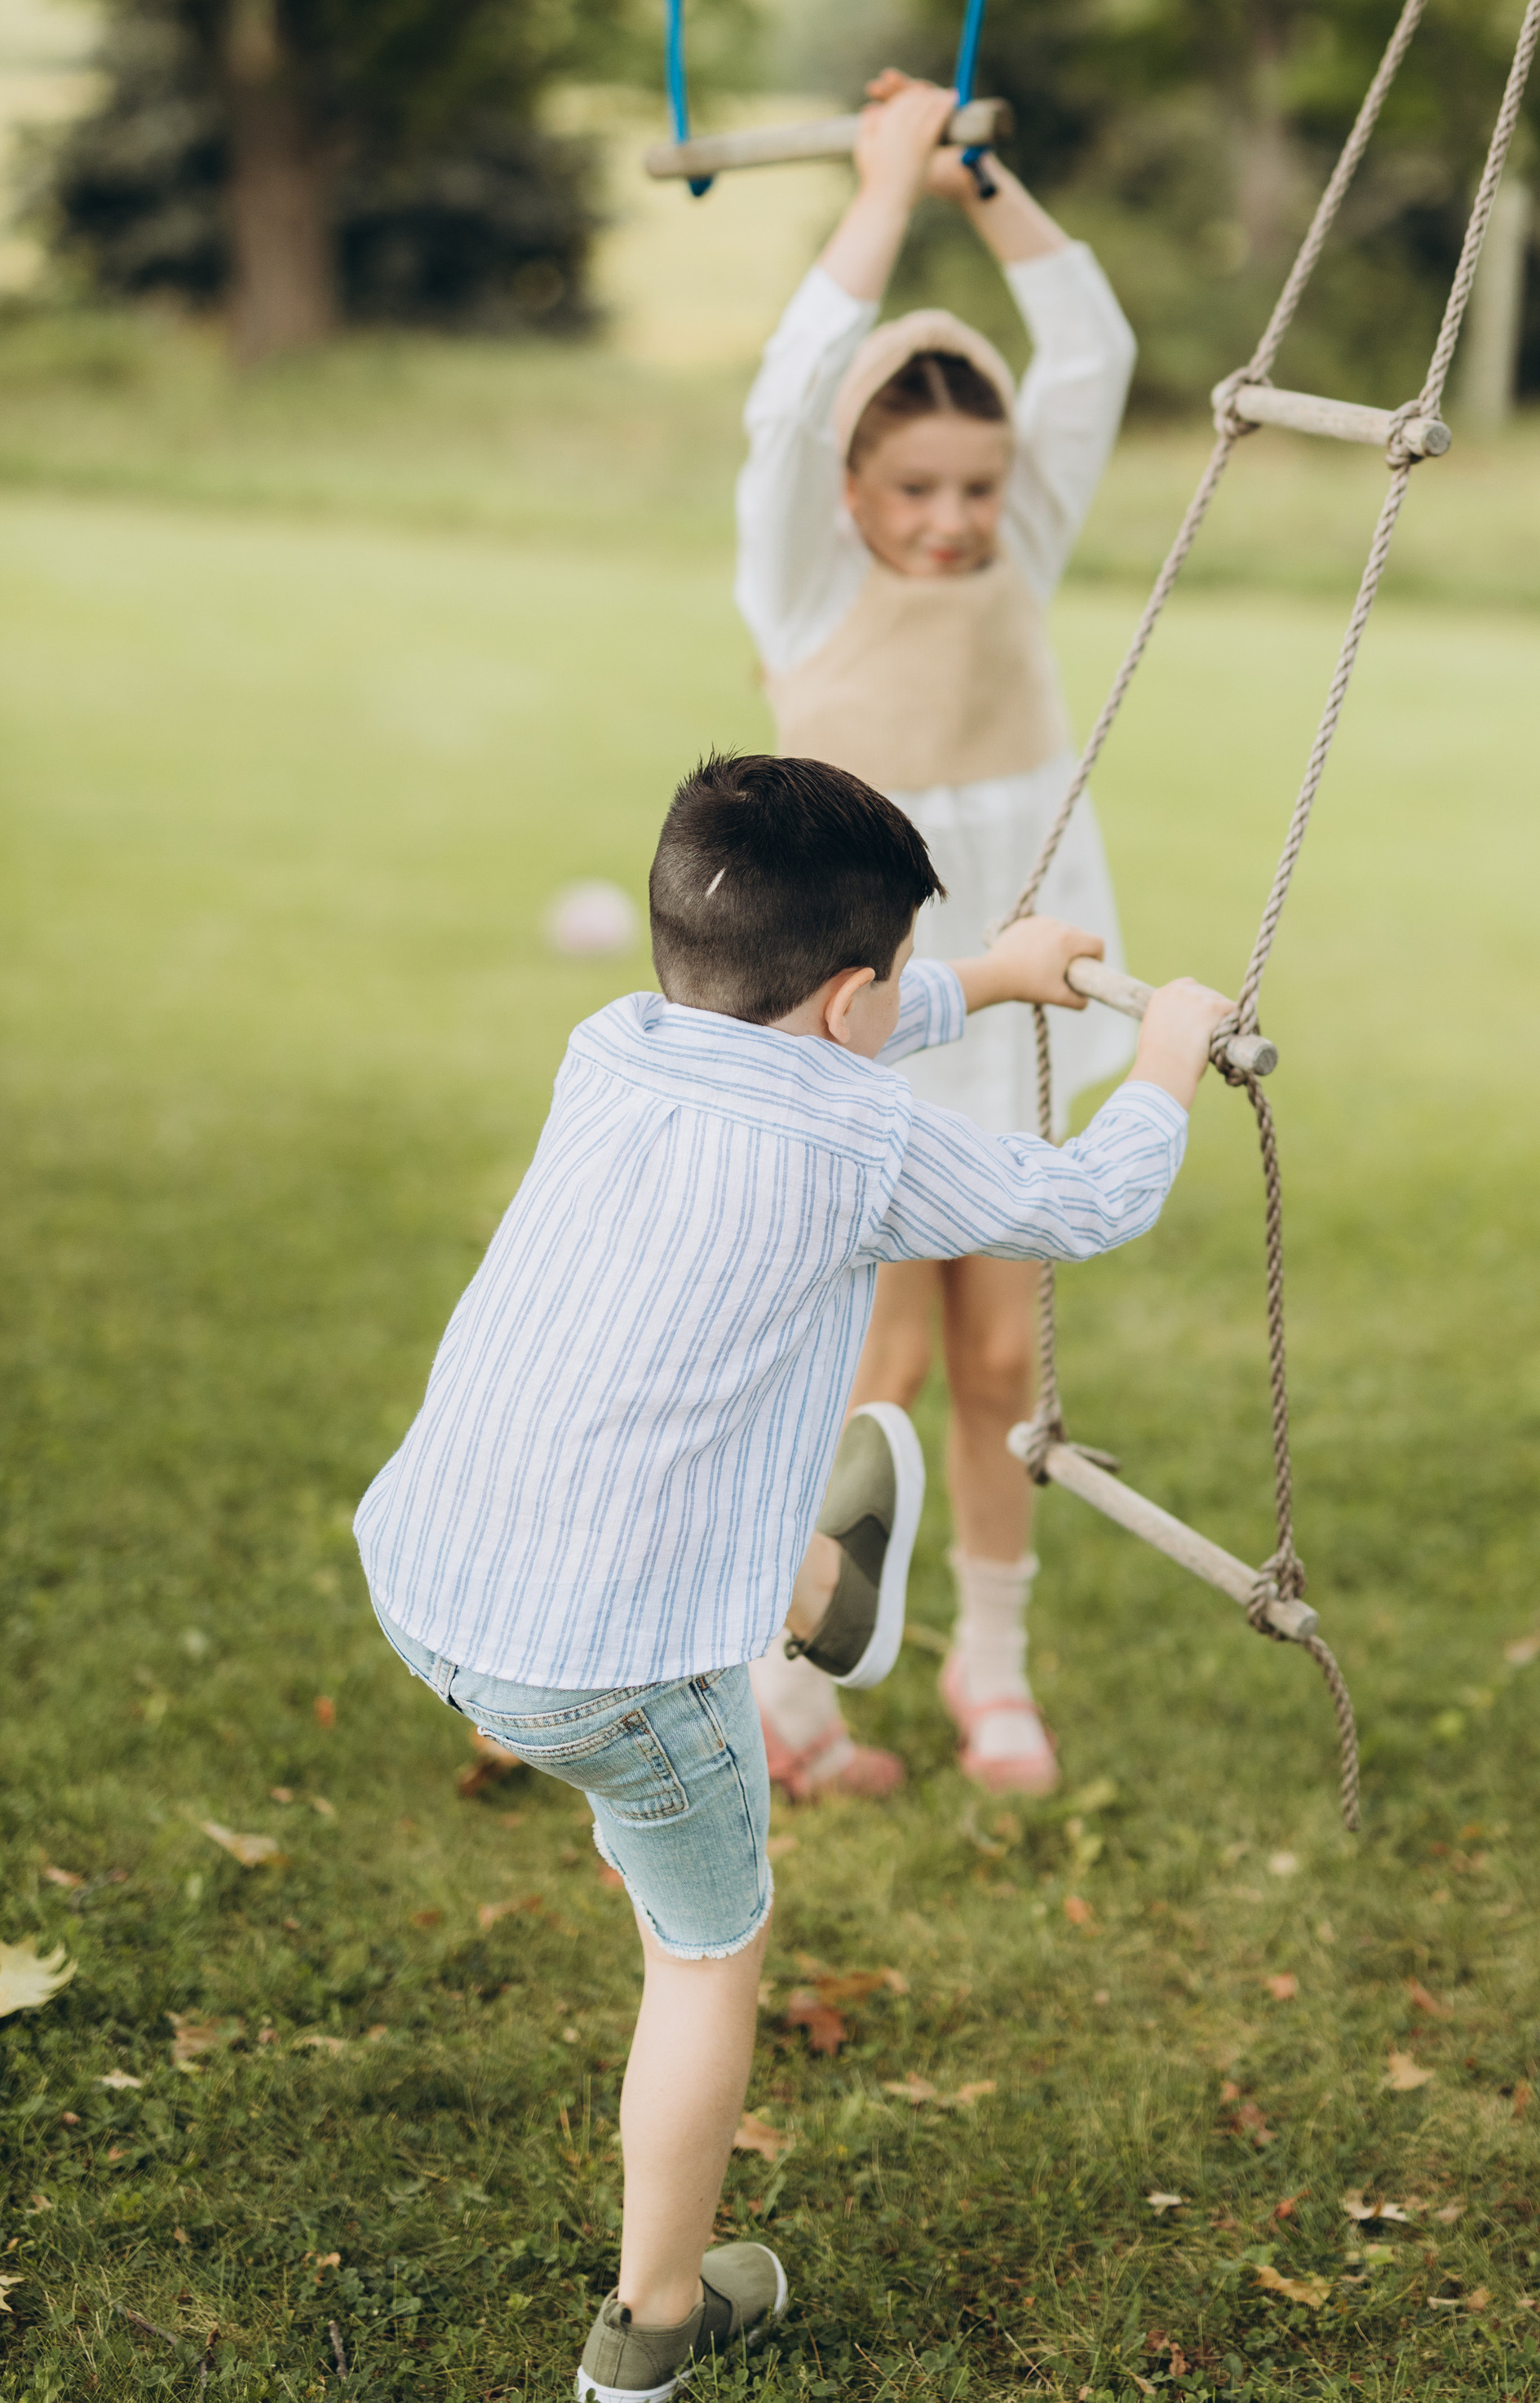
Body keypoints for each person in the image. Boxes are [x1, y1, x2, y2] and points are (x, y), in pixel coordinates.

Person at [353, 752, 1232, 2400]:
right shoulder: (862, 1155)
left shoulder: (612, 1045)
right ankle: (655, 2329)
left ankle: (800, 1571)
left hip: (436, 1580)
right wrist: (1163, 1058)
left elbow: (809, 1030)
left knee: (699, 1457)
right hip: (609, 1673)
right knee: (703, 1955)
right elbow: (1083, 1203)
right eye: (894, 981)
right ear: (851, 996)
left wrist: (978, 978)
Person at [736, 73, 1137, 1803]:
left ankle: (991, 1672)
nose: (954, 520)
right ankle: (791, 1684)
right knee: (880, 1358)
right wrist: (881, 188)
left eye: (977, 485)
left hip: (1022, 1009)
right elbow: (783, 405)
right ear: (852, 488)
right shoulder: (804, 575)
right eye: (915, 488)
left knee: (997, 1365)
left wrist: (985, 184)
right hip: (877, 1020)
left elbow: (1095, 351)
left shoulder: (1019, 553)